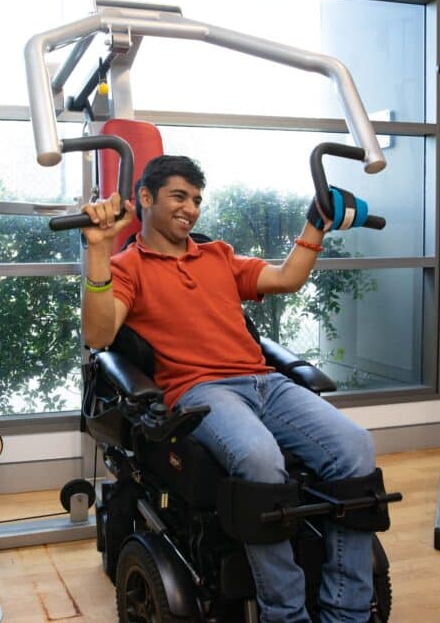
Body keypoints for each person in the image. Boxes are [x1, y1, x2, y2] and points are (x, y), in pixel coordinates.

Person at [80, 155, 379, 623]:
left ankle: (348, 613)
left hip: (266, 384)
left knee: (355, 448)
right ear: (145, 198)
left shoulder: (217, 254)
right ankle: (286, 615)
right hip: (201, 392)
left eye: (196, 199)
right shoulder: (127, 267)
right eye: (179, 196)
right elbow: (98, 336)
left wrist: (316, 225)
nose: (190, 208)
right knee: (261, 461)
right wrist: (98, 249)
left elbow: (286, 278)